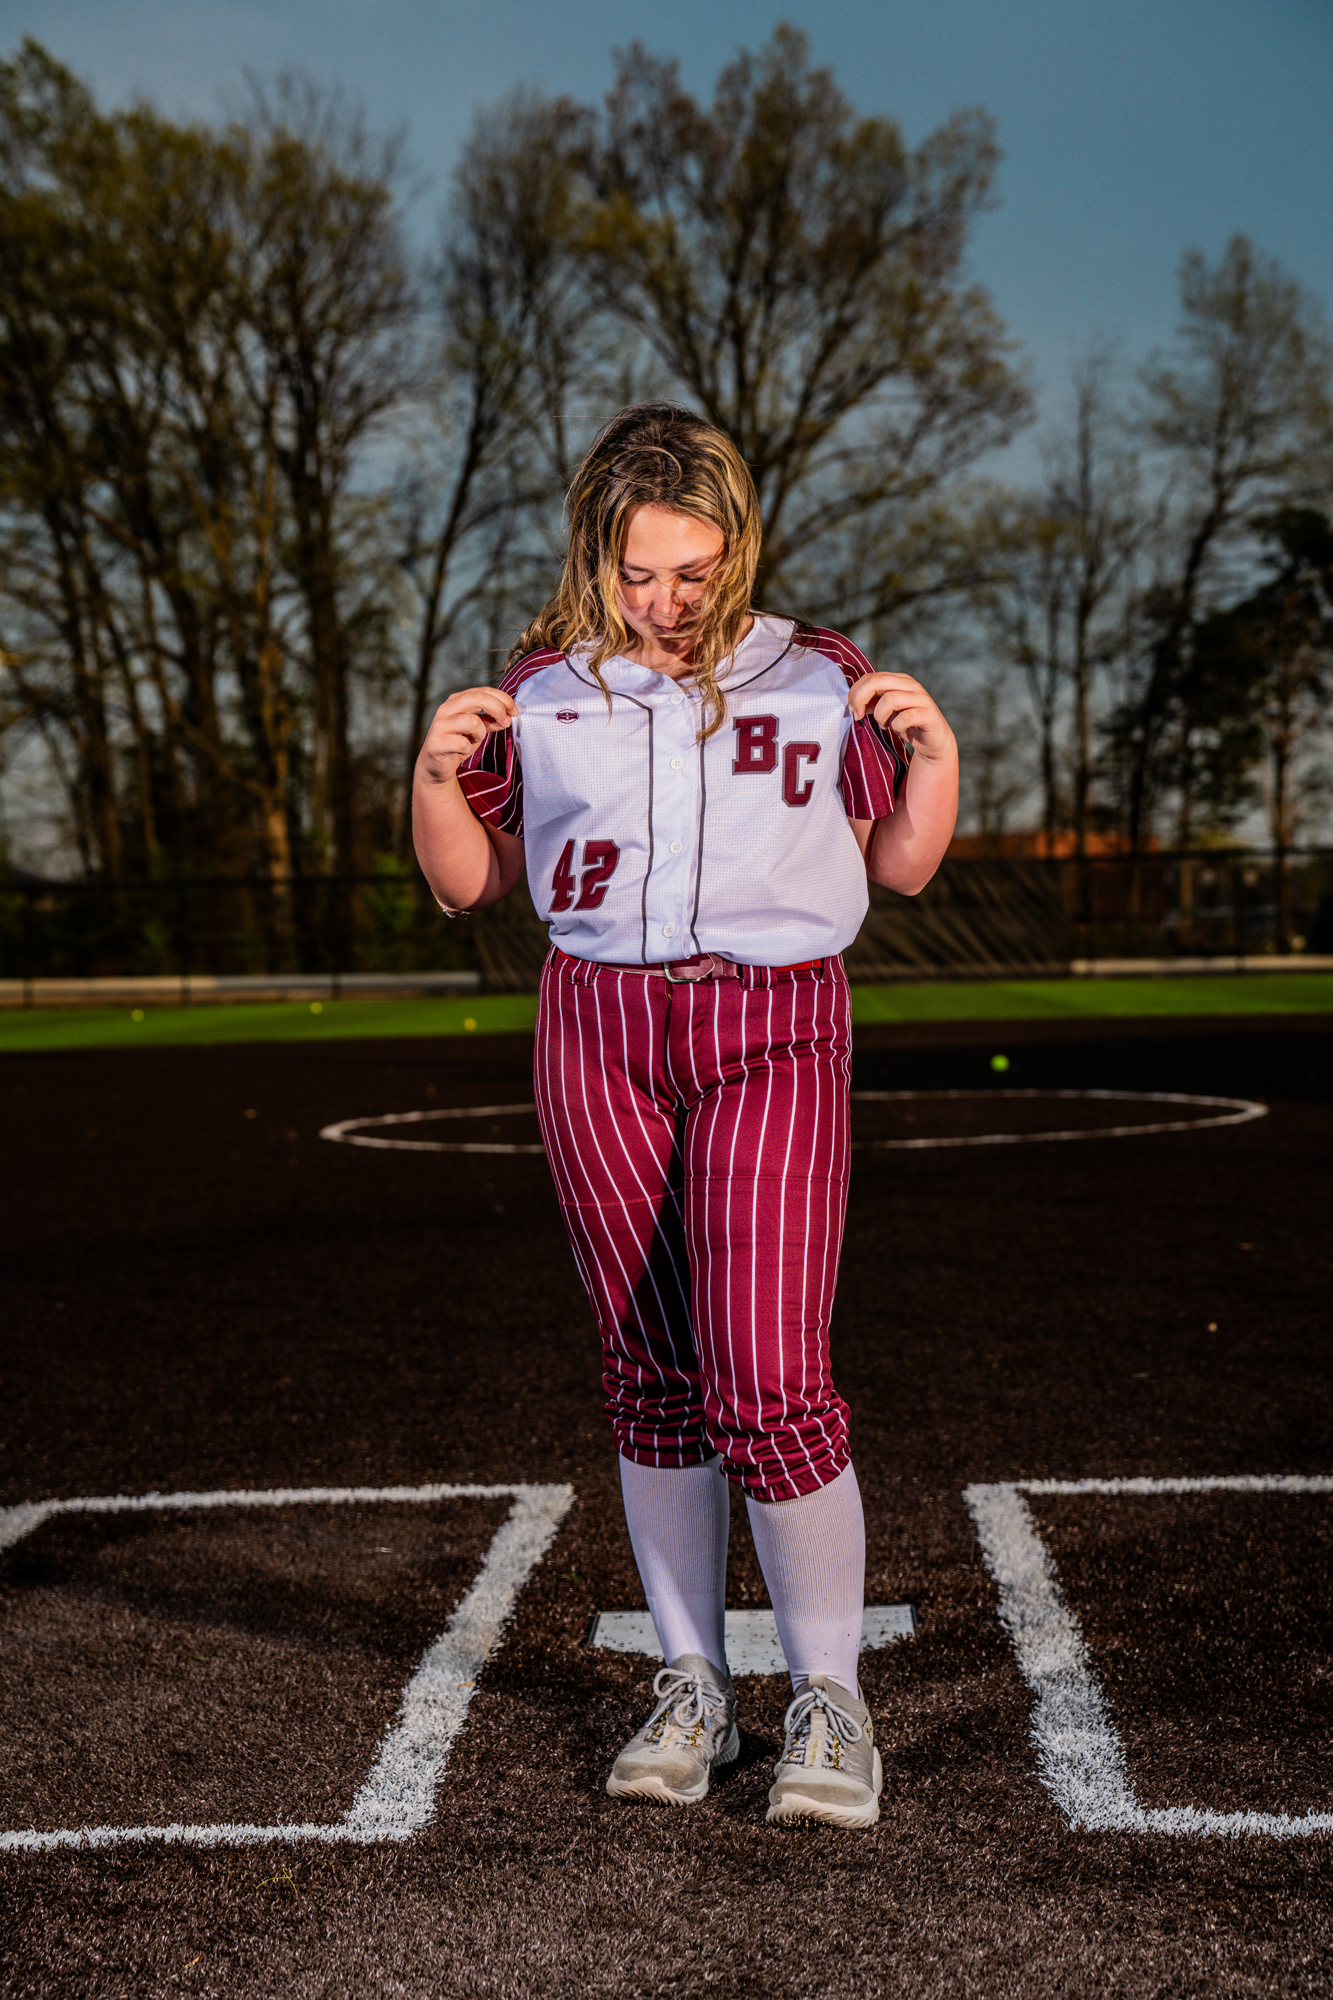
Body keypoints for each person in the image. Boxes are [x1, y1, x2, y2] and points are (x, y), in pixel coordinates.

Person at [413, 402, 958, 1828]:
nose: (665, 602)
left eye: (694, 572)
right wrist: (434, 776)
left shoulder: (815, 673)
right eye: (638, 572)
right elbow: (470, 883)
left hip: (773, 1022)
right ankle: (694, 1683)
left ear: (740, 550)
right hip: (596, 1026)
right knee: (650, 1371)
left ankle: (828, 1701)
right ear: (596, 557)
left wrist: (935, 757)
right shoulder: (545, 690)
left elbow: (900, 866)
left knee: (767, 1375)